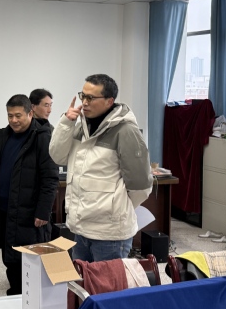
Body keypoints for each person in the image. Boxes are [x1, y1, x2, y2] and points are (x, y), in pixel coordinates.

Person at [49, 74, 152, 262]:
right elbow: (58, 156)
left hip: (109, 234)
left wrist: (119, 206)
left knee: (106, 281)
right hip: (81, 228)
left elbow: (141, 185)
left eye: (91, 98)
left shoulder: (125, 131)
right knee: (83, 279)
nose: (84, 102)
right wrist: (66, 123)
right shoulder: (81, 126)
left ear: (109, 101)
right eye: (83, 96)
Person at [0, 94, 59, 295]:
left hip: (29, 210)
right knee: (9, 253)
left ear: (30, 113)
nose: (14, 120)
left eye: (18, 115)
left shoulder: (42, 137)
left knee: (29, 254)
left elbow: (50, 178)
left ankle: (28, 295)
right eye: (10, 116)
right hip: (5, 208)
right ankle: (16, 291)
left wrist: (43, 211)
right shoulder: (5, 136)